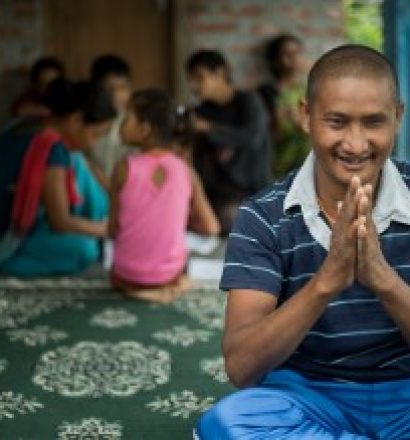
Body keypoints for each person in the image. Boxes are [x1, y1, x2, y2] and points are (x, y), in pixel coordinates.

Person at [195, 44, 410, 439]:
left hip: (405, 396)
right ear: (306, 116)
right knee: (226, 425)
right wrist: (327, 281)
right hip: (309, 396)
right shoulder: (263, 217)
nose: (356, 144)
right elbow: (242, 368)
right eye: (338, 121)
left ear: (397, 116)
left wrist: (383, 278)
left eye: (374, 122)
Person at [109, 88, 220, 303]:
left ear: (144, 129)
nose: (121, 124)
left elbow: (113, 230)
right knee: (182, 262)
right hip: (169, 276)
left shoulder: (123, 168)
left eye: (127, 118)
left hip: (125, 277)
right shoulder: (186, 171)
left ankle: (137, 291)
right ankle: (167, 288)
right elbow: (212, 227)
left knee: (116, 273)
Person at [0, 78, 116, 277]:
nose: (94, 144)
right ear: (76, 121)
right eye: (95, 134)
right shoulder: (51, 149)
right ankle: (12, 265)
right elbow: (60, 221)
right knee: (85, 249)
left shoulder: (26, 125)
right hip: (7, 239)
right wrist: (108, 230)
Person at [186, 49, 272, 236]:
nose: (194, 86)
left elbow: (252, 137)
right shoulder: (201, 112)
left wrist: (208, 128)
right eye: (191, 80)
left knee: (231, 218)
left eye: (200, 78)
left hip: (251, 192)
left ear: (221, 73)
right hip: (215, 194)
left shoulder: (248, 102)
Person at [258, 34, 309, 178]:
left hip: (310, 168)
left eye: (297, 53)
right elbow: (268, 135)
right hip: (280, 169)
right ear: (274, 61)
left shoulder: (309, 90)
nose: (294, 58)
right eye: (287, 54)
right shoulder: (267, 94)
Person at [87, 54, 133, 183]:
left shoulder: (134, 124)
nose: (116, 95)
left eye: (122, 88)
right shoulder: (87, 125)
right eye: (110, 89)